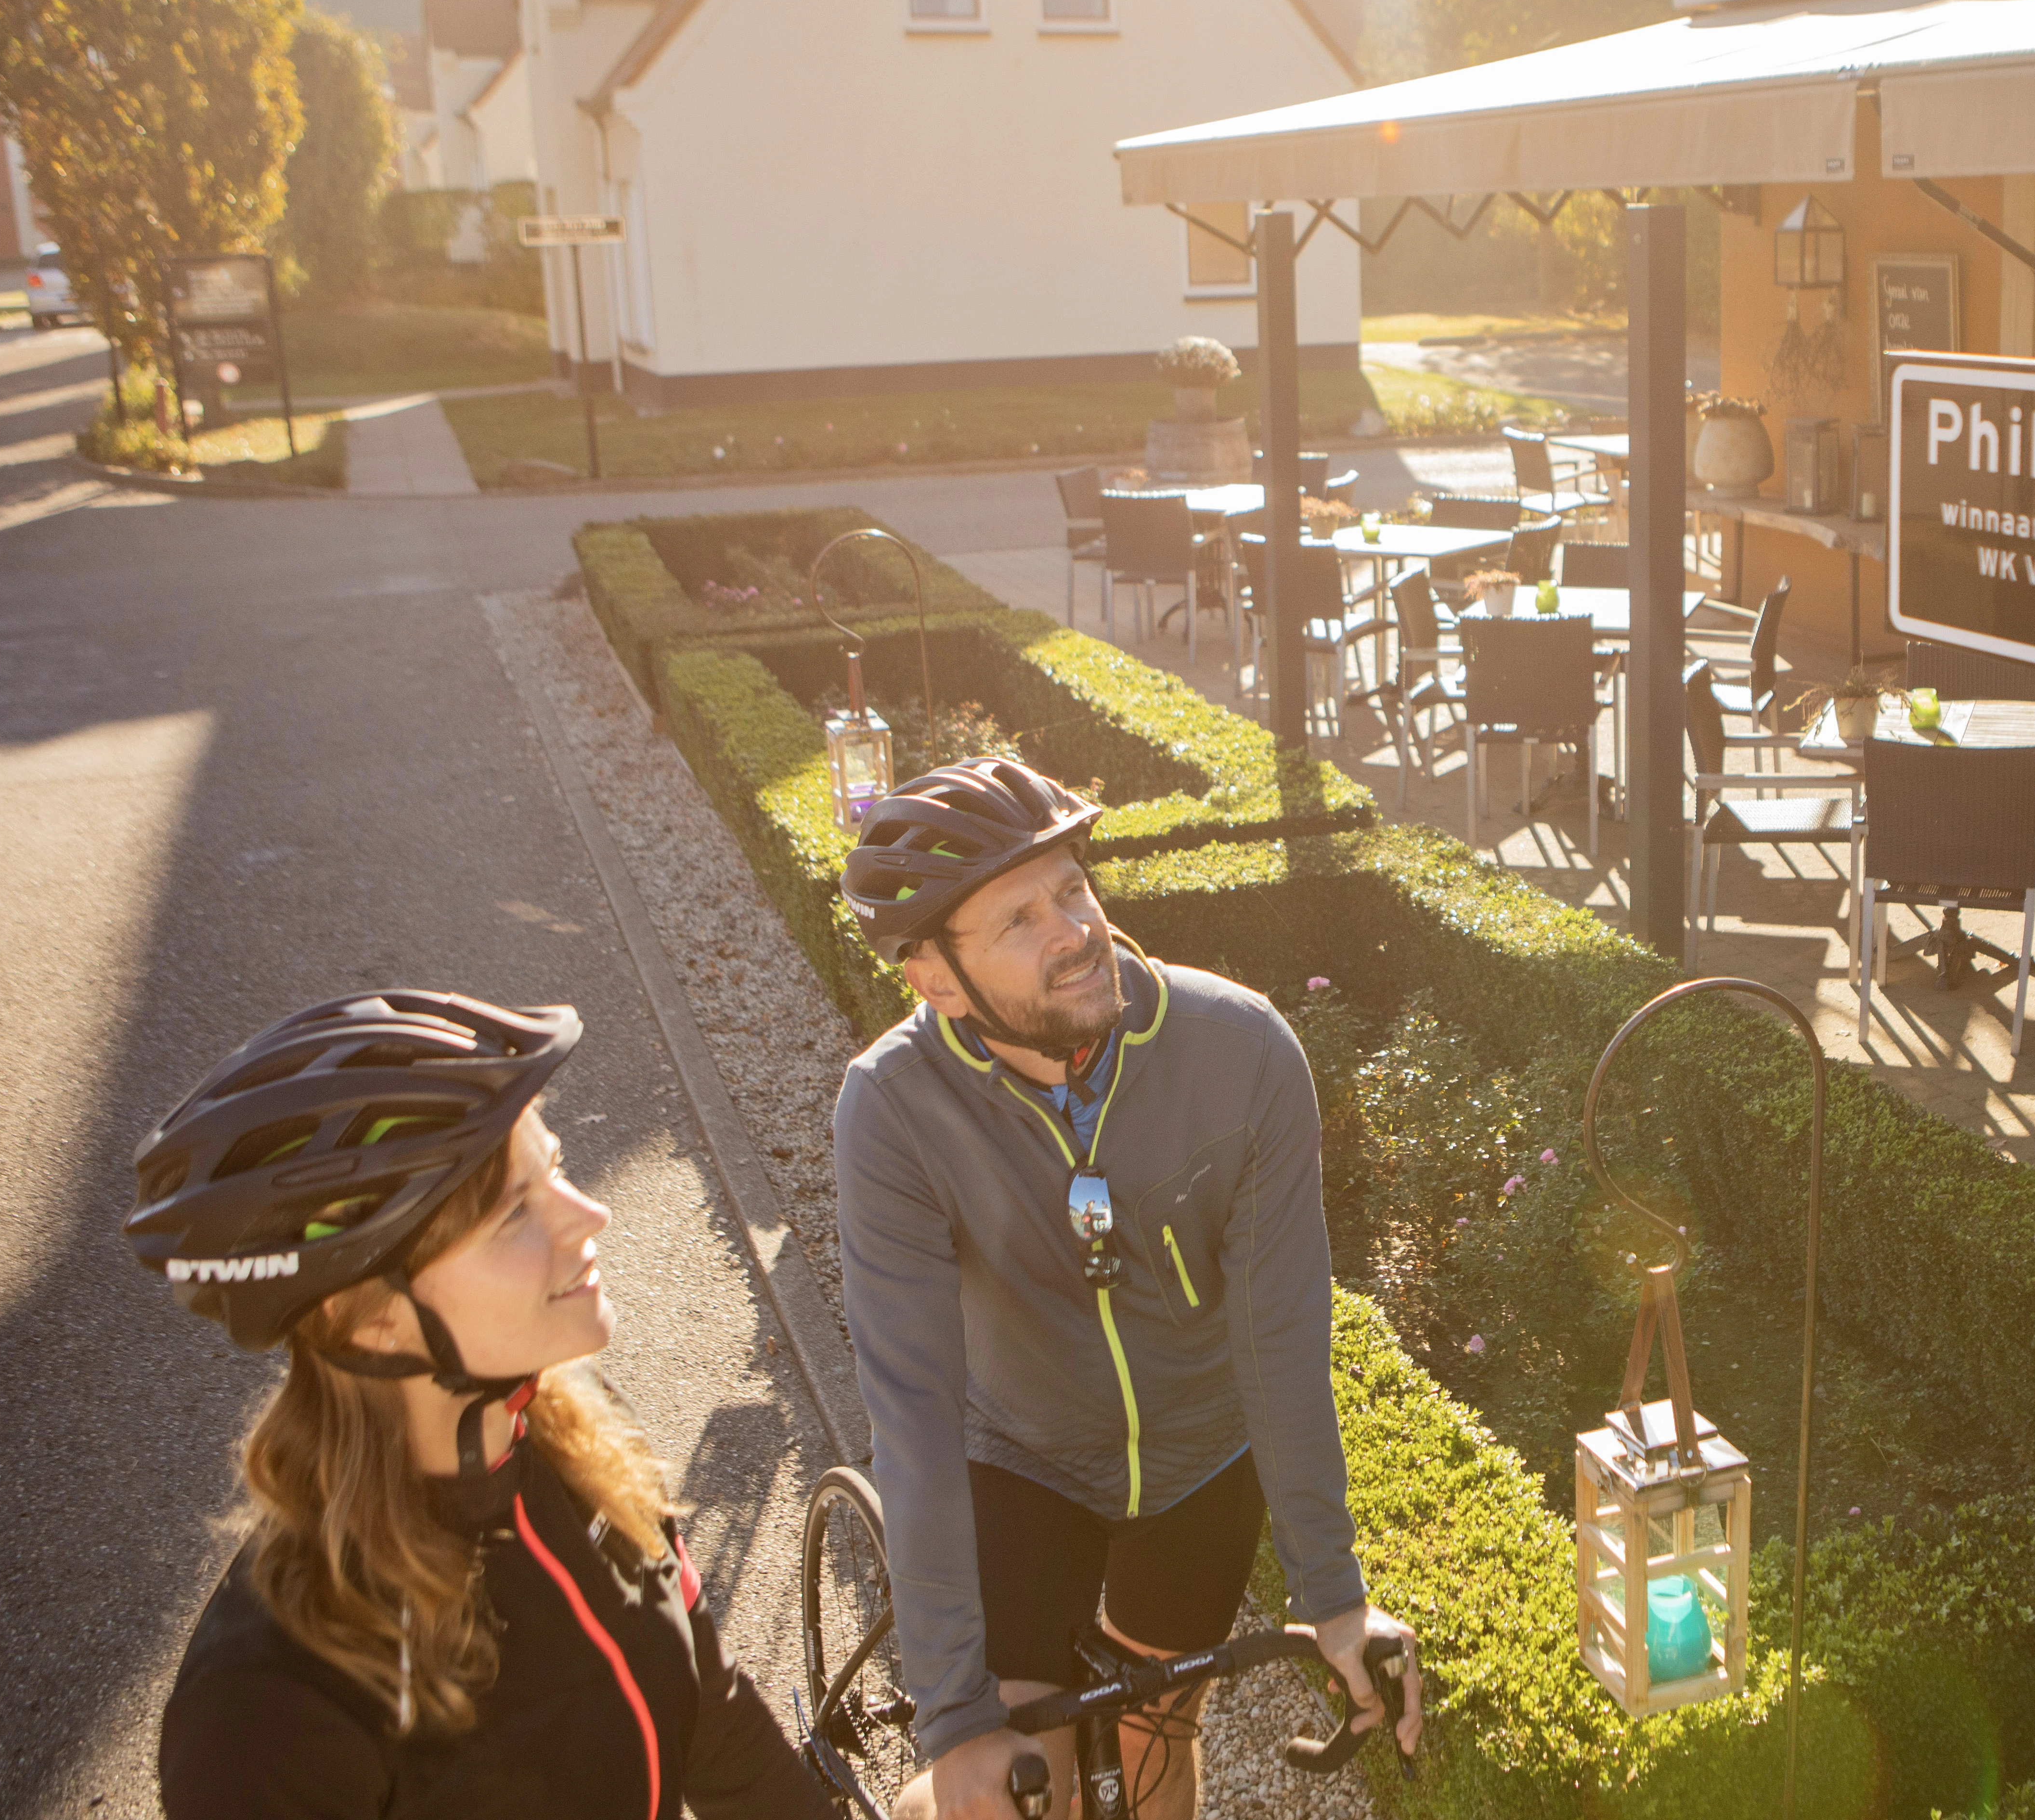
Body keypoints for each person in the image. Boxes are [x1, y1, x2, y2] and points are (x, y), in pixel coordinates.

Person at [834, 760, 1420, 1820]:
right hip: (1022, 1453)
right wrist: (956, 1718)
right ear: (935, 979)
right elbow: (913, 1408)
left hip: (1202, 1456)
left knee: (1160, 1735)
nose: (1072, 927)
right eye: (1019, 918)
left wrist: (1334, 1595)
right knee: (1017, 1774)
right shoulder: (894, 1108)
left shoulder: (1243, 1052)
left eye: (1071, 888)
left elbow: (1281, 1339)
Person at [130, 989, 833, 1820]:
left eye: (557, 1168)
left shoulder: (578, 1436)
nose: (588, 1215)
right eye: (513, 1215)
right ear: (369, 1316)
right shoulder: (263, 1709)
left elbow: (710, 1716)